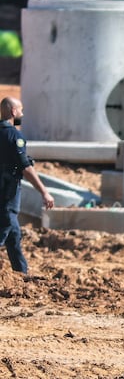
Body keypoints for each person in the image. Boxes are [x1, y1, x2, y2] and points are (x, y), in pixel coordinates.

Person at [0, 96, 55, 275]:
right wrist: (44, 192)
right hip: (8, 192)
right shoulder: (14, 136)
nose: (22, 114)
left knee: (14, 234)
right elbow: (25, 167)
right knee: (5, 227)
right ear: (13, 111)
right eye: (21, 110)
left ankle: (21, 274)